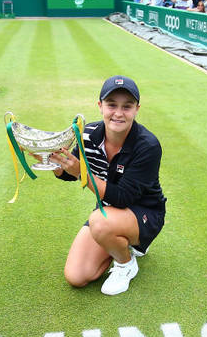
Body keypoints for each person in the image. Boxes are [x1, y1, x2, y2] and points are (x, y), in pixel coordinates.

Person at [49, 76, 165, 296]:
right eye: (112, 105)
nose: (118, 113)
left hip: (145, 214)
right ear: (100, 105)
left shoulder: (148, 145)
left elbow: (122, 198)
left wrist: (82, 172)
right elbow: (68, 174)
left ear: (136, 109)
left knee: (99, 222)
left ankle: (126, 263)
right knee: (77, 276)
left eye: (127, 106)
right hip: (108, 213)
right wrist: (53, 162)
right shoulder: (88, 134)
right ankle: (120, 241)